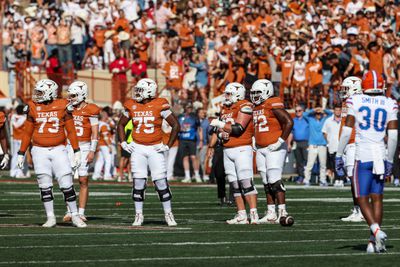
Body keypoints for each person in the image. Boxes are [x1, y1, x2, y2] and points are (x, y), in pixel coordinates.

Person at [336, 71, 398, 253]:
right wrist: (390, 159)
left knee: (362, 197)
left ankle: (376, 231)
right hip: (380, 153)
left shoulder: (355, 101)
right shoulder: (390, 102)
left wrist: (339, 154)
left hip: (362, 153)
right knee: (377, 198)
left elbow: (347, 131)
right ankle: (373, 242)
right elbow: (393, 135)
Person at [16, 79, 86, 228]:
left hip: (58, 149)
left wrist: (76, 150)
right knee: (44, 184)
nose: (37, 95)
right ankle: (50, 217)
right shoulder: (33, 107)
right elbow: (27, 133)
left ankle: (74, 215)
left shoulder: (63, 105)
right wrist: (21, 152)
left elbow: (71, 130)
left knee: (66, 182)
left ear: (49, 92)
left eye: (40, 92)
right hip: (39, 150)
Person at [117, 78, 180, 226]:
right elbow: (121, 125)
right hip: (137, 148)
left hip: (155, 148)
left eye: (140, 90)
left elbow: (175, 125)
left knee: (161, 182)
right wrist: (123, 142)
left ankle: (168, 214)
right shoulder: (132, 105)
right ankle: (138, 215)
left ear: (150, 91)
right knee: (138, 182)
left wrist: (167, 145)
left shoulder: (160, 104)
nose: (137, 93)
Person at [209, 82, 259, 224]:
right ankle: (241, 214)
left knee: (245, 182)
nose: (226, 96)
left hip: (242, 148)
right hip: (227, 149)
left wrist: (219, 125)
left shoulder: (245, 106)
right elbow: (219, 131)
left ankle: (254, 213)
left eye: (229, 93)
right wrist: (220, 135)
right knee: (234, 183)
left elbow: (238, 129)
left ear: (237, 93)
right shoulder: (225, 109)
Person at [250, 79, 294, 223]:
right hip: (261, 148)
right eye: (253, 93)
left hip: (274, 148)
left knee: (274, 180)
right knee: (266, 182)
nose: (255, 96)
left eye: (258, 93)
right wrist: (254, 139)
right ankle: (270, 213)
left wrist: (280, 141)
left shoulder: (272, 103)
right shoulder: (256, 107)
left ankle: (282, 211)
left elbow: (288, 122)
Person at [64, 81, 100, 222]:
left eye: (73, 95)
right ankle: (69, 211)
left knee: (83, 179)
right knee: (67, 180)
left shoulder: (91, 109)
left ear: (81, 95)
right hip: (69, 146)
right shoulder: (67, 109)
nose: (70, 98)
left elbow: (95, 133)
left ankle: (81, 212)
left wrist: (92, 150)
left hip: (84, 146)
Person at [337, 76, 364, 222]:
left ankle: (361, 210)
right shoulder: (346, 102)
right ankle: (357, 209)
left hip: (355, 142)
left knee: (355, 179)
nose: (343, 91)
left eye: (346, 88)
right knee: (352, 179)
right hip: (348, 143)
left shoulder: (359, 101)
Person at [302, 107, 333, 186]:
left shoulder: (325, 119)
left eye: (320, 114)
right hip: (313, 145)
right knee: (310, 164)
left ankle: (322, 180)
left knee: (323, 165)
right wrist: (314, 109)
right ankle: (306, 180)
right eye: (317, 114)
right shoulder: (311, 119)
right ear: (315, 114)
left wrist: (323, 109)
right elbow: (304, 114)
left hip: (322, 145)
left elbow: (331, 114)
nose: (318, 115)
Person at [178, 103, 203, 183]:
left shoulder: (195, 117)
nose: (189, 109)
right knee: (185, 158)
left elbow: (199, 129)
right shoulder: (180, 117)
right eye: (188, 107)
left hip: (192, 139)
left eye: (190, 108)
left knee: (193, 157)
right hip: (182, 139)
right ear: (185, 108)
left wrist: (201, 140)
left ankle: (197, 175)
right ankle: (187, 176)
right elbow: (176, 127)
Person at [288, 105, 309, 183]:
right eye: (296, 111)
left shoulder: (307, 120)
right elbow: (291, 133)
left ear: (303, 111)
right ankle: (301, 176)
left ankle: (307, 176)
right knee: (299, 161)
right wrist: (289, 144)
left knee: (306, 160)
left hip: (306, 142)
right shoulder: (293, 120)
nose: (298, 112)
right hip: (296, 143)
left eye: (299, 110)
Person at [322, 105, 342, 186]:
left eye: (339, 110)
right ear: (334, 111)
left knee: (342, 163)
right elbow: (324, 132)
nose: (338, 112)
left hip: (342, 145)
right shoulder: (328, 120)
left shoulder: (344, 120)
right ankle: (337, 179)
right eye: (336, 110)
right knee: (334, 164)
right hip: (333, 146)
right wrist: (329, 141)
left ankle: (342, 179)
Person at [93, 108, 113, 181]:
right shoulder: (104, 125)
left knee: (100, 160)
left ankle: (96, 175)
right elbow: (105, 136)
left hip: (100, 144)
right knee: (108, 159)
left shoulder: (98, 123)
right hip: (105, 144)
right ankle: (107, 175)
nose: (108, 116)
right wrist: (109, 146)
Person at [10, 105, 27, 178]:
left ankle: (13, 172)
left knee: (14, 156)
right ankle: (19, 172)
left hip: (14, 139)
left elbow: (15, 125)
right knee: (22, 156)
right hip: (22, 139)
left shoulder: (13, 117)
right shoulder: (24, 118)